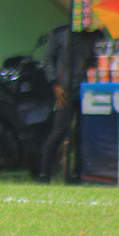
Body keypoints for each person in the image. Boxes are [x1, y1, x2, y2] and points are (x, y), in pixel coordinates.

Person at [37, 23, 103, 183]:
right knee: (60, 131)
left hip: (88, 90)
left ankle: (78, 175)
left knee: (83, 133)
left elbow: (101, 59)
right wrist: (55, 85)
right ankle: (44, 173)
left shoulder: (97, 35)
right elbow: (47, 60)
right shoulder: (60, 33)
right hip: (64, 90)